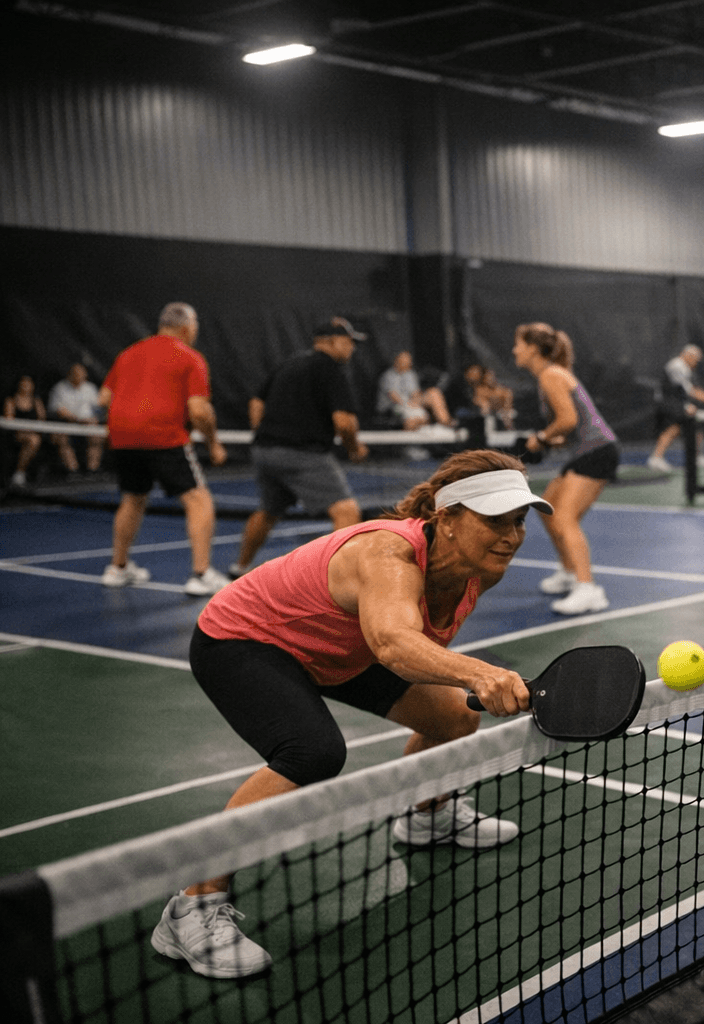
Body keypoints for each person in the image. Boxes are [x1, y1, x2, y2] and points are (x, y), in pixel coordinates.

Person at [151, 450, 547, 980]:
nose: (511, 536)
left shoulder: (478, 570)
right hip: (245, 638)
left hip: (341, 647)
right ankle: (192, 908)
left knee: (454, 720)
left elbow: (399, 644)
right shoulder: (386, 553)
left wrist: (467, 684)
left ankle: (427, 816)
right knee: (312, 752)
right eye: (495, 520)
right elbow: (391, 641)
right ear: (446, 519)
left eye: (519, 522)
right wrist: (479, 674)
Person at [99, 302, 229, 596]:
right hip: (163, 436)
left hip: (123, 437)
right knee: (198, 499)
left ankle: (117, 568)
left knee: (133, 498)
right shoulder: (190, 358)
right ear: (187, 328)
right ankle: (201, 574)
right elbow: (199, 412)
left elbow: (104, 397)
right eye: (195, 327)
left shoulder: (128, 353)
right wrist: (213, 442)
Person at [227, 318, 370, 578]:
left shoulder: (289, 363)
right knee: (346, 511)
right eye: (349, 342)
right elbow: (344, 423)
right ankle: (340, 579)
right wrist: (354, 449)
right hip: (302, 454)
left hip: (264, 451)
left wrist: (264, 432)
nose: (352, 348)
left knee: (268, 512)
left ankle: (239, 568)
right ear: (332, 341)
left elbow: (256, 402)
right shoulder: (331, 369)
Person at [513, 322, 621, 615]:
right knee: (547, 507)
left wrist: (542, 438)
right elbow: (570, 426)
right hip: (588, 450)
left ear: (533, 349)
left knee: (564, 519)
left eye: (518, 345)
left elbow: (568, 420)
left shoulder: (550, 374)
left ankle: (589, 590)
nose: (514, 350)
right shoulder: (551, 375)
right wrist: (548, 440)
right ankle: (569, 573)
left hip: (597, 451)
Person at [648, 344, 704, 472]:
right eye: (695, 360)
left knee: (695, 425)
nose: (696, 363)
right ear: (688, 355)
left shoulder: (685, 367)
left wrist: (693, 402)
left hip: (675, 401)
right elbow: (688, 390)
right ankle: (656, 458)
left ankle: (697, 457)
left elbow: (683, 392)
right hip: (666, 402)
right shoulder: (677, 365)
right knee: (675, 428)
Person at [47, 362, 105, 474]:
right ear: (70, 374)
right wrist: (77, 420)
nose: (80, 376)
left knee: (97, 437)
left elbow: (98, 408)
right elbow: (58, 411)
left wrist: (95, 419)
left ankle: (92, 470)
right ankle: (73, 471)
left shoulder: (90, 388)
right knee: (62, 439)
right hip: (66, 424)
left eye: (82, 373)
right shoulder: (60, 388)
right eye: (77, 373)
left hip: (88, 425)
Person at [377, 351, 452, 433]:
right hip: (392, 408)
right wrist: (413, 406)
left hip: (409, 404)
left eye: (409, 361)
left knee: (434, 393)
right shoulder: (387, 376)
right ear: (397, 361)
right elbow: (395, 398)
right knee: (414, 416)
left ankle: (446, 424)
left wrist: (417, 403)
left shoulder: (410, 374)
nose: (408, 363)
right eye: (404, 361)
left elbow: (415, 394)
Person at [4, 375, 45, 489]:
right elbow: (9, 420)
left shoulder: (36, 401)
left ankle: (20, 472)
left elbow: (42, 419)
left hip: (33, 433)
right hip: (15, 434)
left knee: (34, 440)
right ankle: (19, 473)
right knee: (33, 440)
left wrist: (32, 429)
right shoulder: (11, 400)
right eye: (24, 383)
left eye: (29, 384)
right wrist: (23, 429)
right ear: (19, 385)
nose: (26, 386)